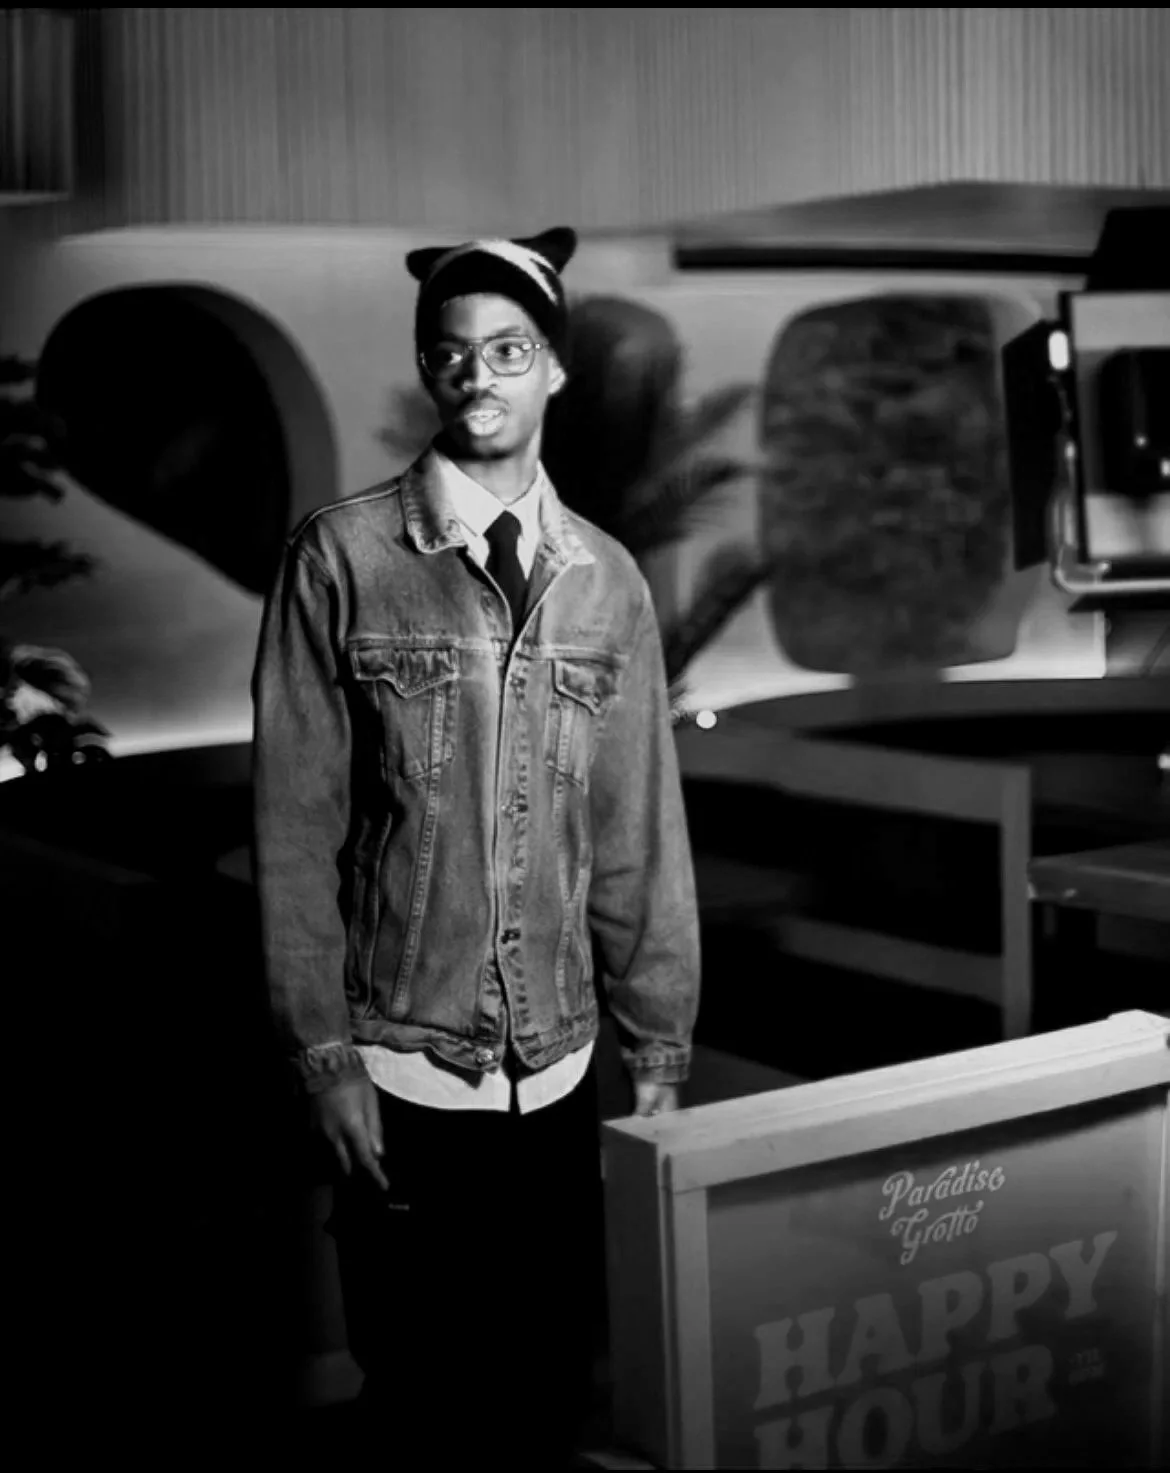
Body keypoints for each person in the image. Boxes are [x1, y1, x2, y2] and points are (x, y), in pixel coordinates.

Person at [252, 226, 700, 1466]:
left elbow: (637, 835)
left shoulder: (608, 581)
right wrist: (323, 1057)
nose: (479, 377)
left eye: (508, 351)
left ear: (553, 369)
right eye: (453, 356)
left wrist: (657, 1039)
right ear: (429, 370)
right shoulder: (341, 557)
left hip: (556, 1073)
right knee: (422, 1407)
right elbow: (295, 831)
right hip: (401, 1070)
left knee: (546, 1392)